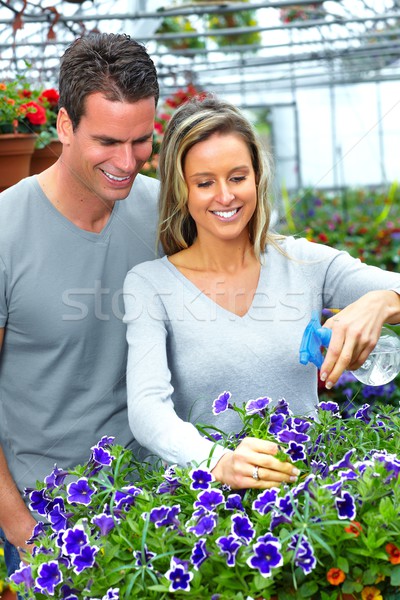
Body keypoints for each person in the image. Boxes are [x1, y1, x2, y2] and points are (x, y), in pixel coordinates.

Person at [123, 94, 400, 491]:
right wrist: (217, 462)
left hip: (306, 499)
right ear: (181, 191)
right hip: (206, 516)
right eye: (204, 183)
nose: (225, 196)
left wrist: (383, 301)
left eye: (238, 177)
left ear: (257, 176)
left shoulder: (305, 263)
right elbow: (148, 410)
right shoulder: (150, 284)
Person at [0, 32, 160, 577]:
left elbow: (261, 270)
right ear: (64, 126)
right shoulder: (5, 230)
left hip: (159, 508)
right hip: (46, 520)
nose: (128, 161)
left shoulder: (166, 211)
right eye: (108, 141)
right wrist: (23, 530)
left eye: (141, 140)